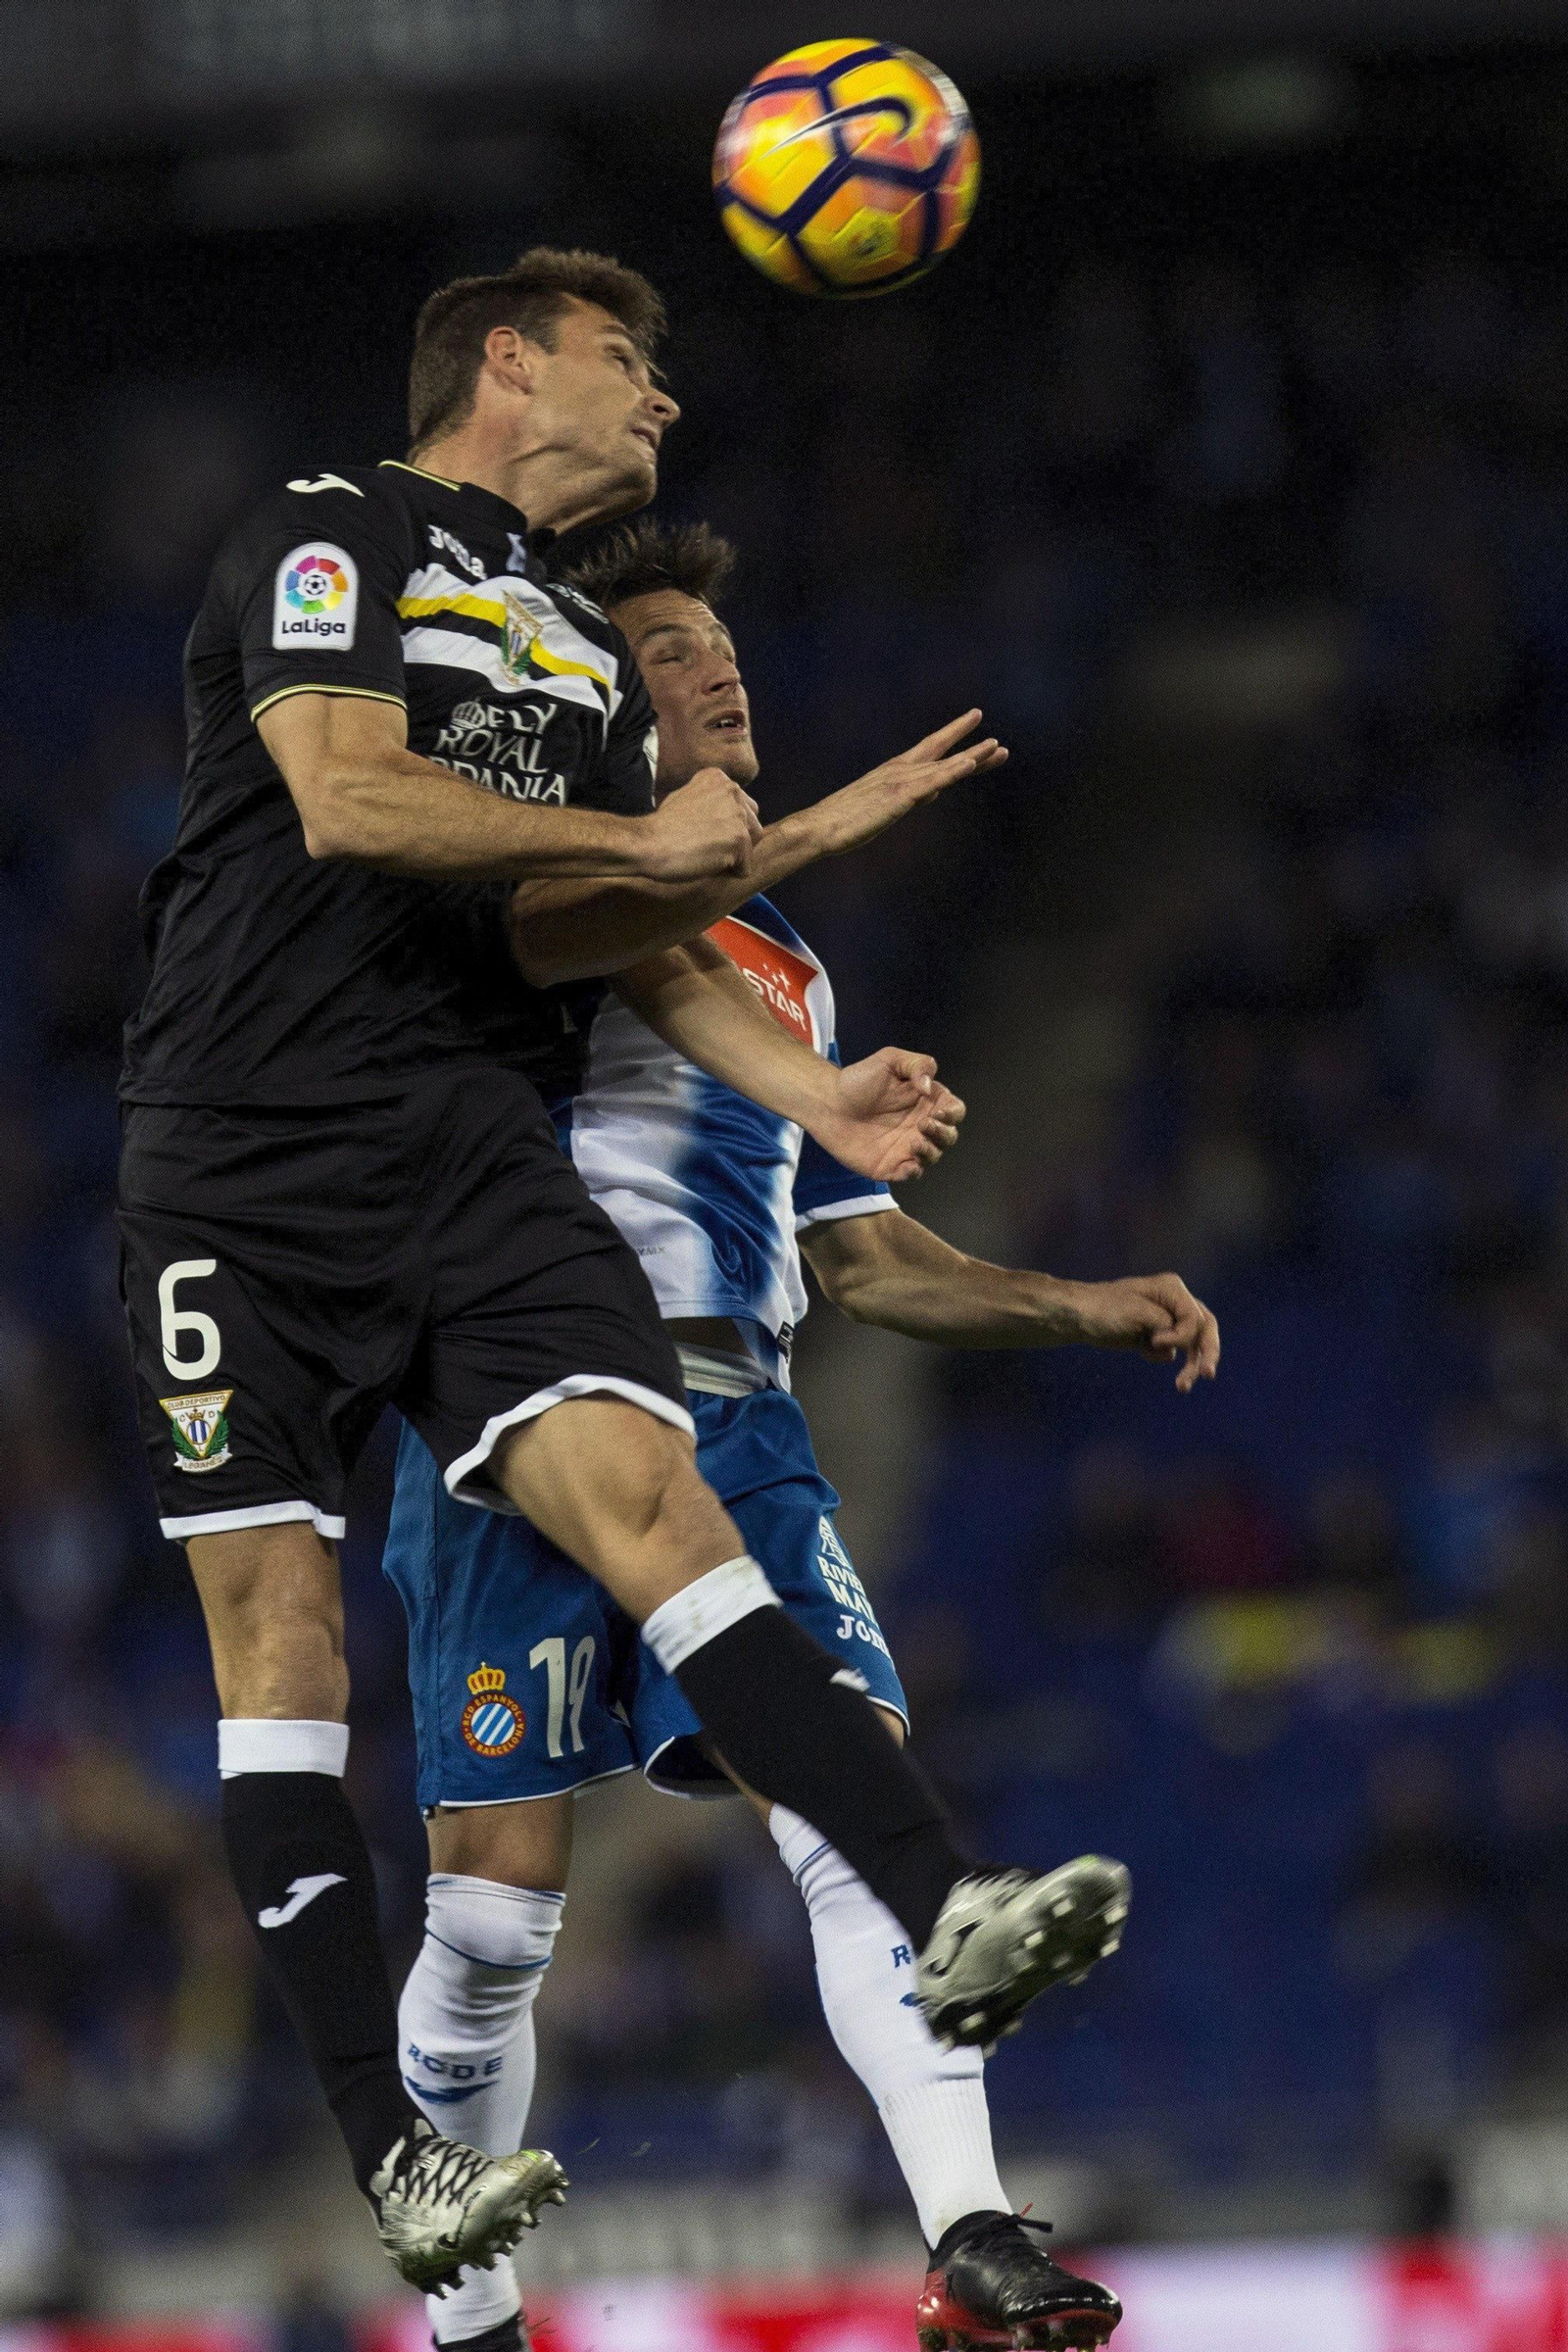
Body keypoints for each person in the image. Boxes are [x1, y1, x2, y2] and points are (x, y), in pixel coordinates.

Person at [116, 247, 1128, 2292]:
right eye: (627, 364)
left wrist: (811, 1088)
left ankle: (942, 1907)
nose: (659, 401)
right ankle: (395, 2170)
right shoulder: (335, 532)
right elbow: (336, 793)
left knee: (657, 1494)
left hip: (472, 1160)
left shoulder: (579, 674)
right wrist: (695, 848)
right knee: (285, 1663)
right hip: (236, 1157)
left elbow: (604, 939)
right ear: (508, 361)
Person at [384, 520, 1220, 2351]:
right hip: (526, 1402)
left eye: (722, 643)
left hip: (737, 1410)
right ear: (595, 698)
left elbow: (857, 1258)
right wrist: (813, 826)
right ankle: (474, 2325)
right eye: (671, 649)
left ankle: (975, 2235)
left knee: (846, 1790)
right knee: (500, 1914)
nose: (719, 668)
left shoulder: (792, 971)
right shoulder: (540, 887)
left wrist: (1072, 1300)